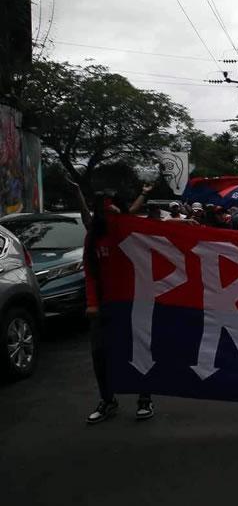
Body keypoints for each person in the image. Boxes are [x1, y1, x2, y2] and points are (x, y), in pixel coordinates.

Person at [73, 180, 155, 423]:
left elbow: (159, 230)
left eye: (114, 210)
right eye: (105, 211)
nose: (111, 214)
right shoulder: (94, 236)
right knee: (100, 354)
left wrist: (143, 195)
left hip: (133, 303)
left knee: (139, 351)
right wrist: (92, 303)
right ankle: (108, 400)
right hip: (104, 306)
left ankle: (145, 398)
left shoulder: (130, 232)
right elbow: (90, 272)